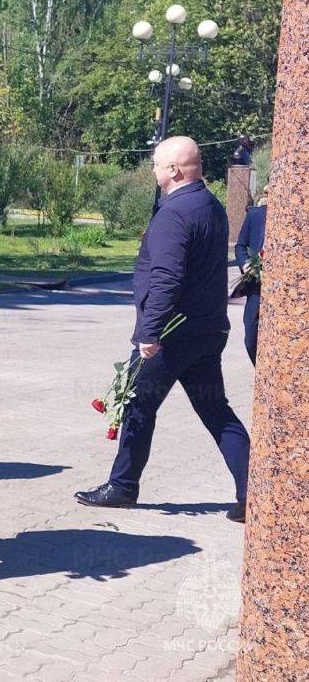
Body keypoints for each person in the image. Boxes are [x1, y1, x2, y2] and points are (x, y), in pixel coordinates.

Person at [75, 136, 250, 524]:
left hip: (172, 335)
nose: (153, 172)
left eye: (156, 165)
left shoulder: (175, 213)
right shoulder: (211, 206)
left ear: (174, 170)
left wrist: (149, 333)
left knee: (137, 403)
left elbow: (167, 278)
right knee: (215, 409)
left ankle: (122, 486)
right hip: (207, 332)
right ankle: (252, 491)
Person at [234, 188, 268, 365]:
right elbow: (240, 246)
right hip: (256, 286)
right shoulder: (255, 215)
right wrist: (245, 264)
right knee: (251, 337)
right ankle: (261, 374)